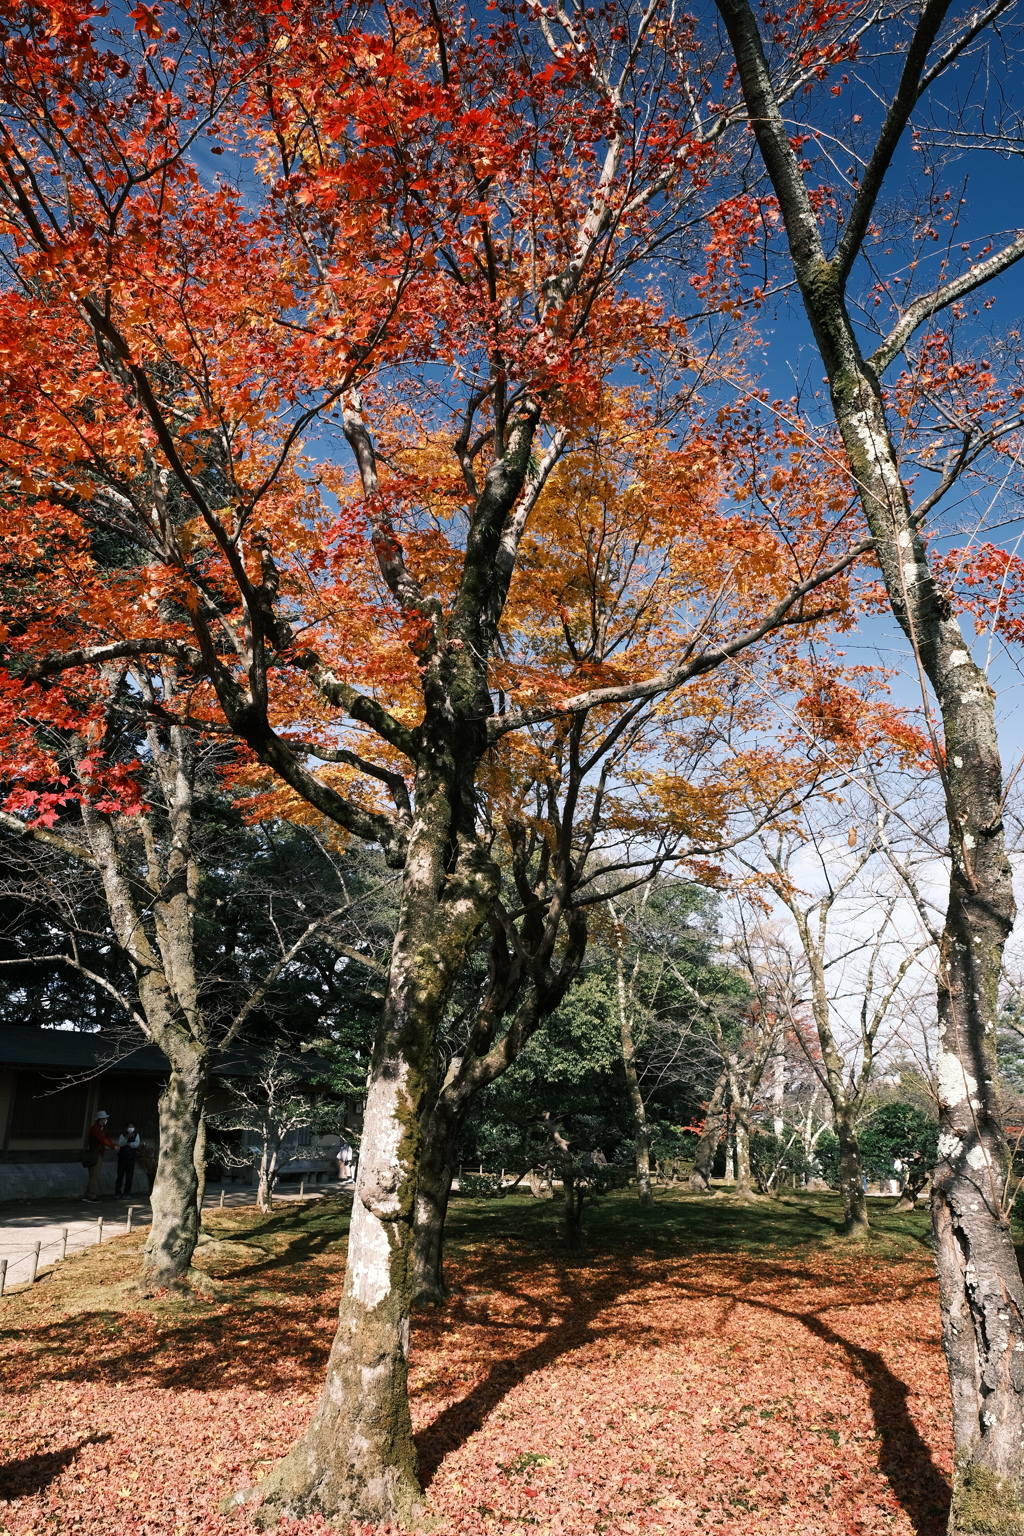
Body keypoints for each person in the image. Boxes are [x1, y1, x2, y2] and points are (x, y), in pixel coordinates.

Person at [83, 1110, 117, 1201]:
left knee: (95, 1175)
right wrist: (114, 1146)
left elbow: (105, 1138)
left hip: (98, 1154)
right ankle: (91, 1195)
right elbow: (103, 1139)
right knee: (95, 1175)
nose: (106, 1120)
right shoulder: (95, 1129)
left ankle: (88, 1194)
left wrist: (113, 1145)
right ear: (101, 1119)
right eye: (105, 1118)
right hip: (95, 1154)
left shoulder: (99, 1129)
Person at [115, 1123, 141, 1197]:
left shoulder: (137, 1135)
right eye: (129, 1126)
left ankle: (127, 1192)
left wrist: (128, 1144)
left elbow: (136, 1144)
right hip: (122, 1158)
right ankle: (117, 1192)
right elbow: (121, 1143)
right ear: (126, 1128)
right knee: (120, 1175)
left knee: (129, 1176)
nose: (131, 1128)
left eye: (132, 1126)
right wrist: (126, 1138)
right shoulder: (122, 1135)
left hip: (131, 1158)